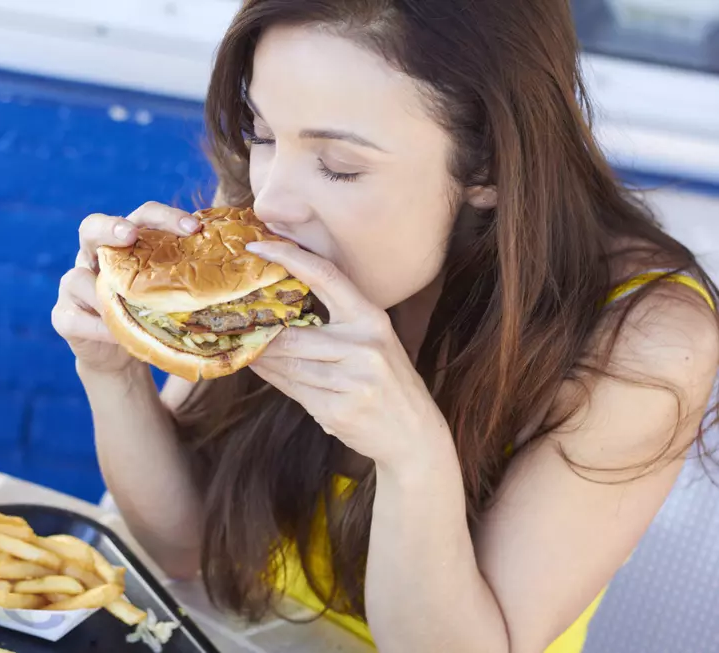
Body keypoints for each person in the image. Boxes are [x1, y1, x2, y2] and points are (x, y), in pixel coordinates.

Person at [52, 1, 719, 651]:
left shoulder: (646, 336)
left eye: (339, 165)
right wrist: (112, 369)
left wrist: (411, 455)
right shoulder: (279, 210)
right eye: (262, 133)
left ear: (489, 164)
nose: (271, 201)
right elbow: (183, 547)